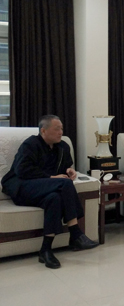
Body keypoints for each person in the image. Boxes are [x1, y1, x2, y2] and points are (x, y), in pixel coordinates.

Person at [1, 115, 99, 269]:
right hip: (23, 187)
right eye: (57, 129)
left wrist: (69, 170)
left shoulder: (63, 147)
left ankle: (45, 250)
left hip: (46, 189)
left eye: (61, 129)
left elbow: (65, 166)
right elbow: (22, 170)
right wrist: (51, 177)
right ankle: (75, 233)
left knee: (54, 199)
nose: (61, 132)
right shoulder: (30, 144)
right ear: (43, 131)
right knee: (65, 184)